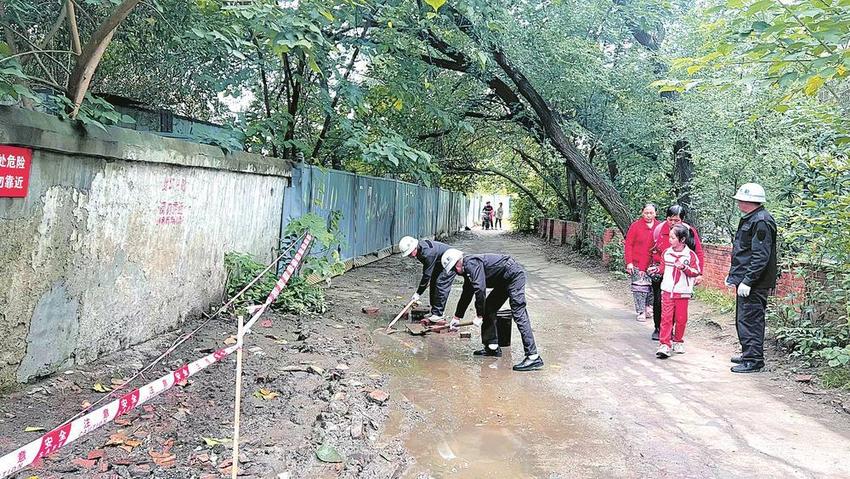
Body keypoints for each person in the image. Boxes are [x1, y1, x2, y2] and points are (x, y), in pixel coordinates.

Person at [439, 248, 543, 371]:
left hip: (513, 276)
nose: (455, 272)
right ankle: (492, 347)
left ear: (458, 262)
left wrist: (479, 316)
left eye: (454, 269)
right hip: (503, 279)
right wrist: (457, 317)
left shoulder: (471, 264)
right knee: (489, 308)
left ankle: (533, 356)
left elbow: (480, 290)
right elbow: (467, 293)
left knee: (518, 313)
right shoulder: (467, 271)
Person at [726, 183, 777, 373]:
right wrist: (735, 276)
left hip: (755, 283)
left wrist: (748, 280)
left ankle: (754, 360)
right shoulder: (752, 218)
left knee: (751, 320)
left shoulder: (761, 221)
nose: (738, 201)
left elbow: (760, 256)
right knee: (744, 318)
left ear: (749, 200)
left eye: (741, 198)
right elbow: (745, 252)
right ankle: (749, 353)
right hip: (746, 280)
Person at [649, 205, 705, 340]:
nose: (673, 223)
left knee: (678, 305)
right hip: (662, 271)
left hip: (682, 274)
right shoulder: (659, 230)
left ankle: (674, 332)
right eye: (670, 220)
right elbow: (650, 250)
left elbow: (698, 252)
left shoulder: (688, 232)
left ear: (682, 220)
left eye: (676, 220)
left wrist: (699, 273)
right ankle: (659, 329)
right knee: (658, 301)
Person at [654, 224, 701, 359]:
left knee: (681, 319)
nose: (670, 240)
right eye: (669, 237)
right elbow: (663, 269)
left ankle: (678, 340)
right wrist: (656, 270)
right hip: (667, 290)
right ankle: (664, 345)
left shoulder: (690, 255)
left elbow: (695, 271)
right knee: (666, 318)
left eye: (673, 237)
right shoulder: (666, 253)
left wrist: (684, 268)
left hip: (683, 291)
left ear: (682, 239)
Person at [398, 236, 453, 322]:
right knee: (434, 282)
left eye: (409, 253)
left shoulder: (427, 253)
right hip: (439, 262)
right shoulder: (420, 250)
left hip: (451, 261)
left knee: (441, 284)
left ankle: (438, 314)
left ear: (414, 248)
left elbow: (426, 275)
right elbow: (428, 272)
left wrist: (418, 293)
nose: (409, 256)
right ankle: (434, 311)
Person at [624, 204, 660, 322]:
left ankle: (648, 306)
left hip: (654, 263)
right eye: (646, 213)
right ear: (642, 213)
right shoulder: (635, 226)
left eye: (651, 213)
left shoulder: (660, 227)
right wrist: (629, 262)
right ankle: (641, 311)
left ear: (655, 213)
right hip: (637, 262)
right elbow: (628, 244)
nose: (649, 215)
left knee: (652, 287)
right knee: (639, 287)